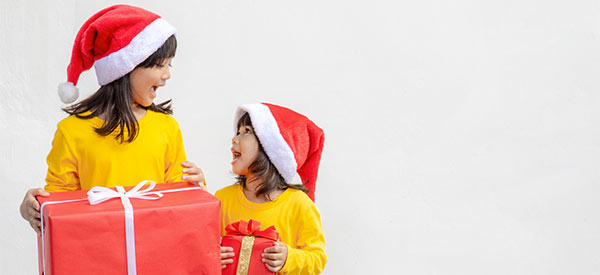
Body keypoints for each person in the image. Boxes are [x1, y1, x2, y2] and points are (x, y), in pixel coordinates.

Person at [19, 4, 205, 234]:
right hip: (97, 252)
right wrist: (33, 208)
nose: (167, 74)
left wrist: (195, 187)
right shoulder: (72, 131)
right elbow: (58, 204)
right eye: (159, 65)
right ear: (124, 68)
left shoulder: (167, 127)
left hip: (155, 250)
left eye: (169, 64)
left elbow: (179, 202)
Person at [216, 103, 327, 274]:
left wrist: (288, 258)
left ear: (271, 149)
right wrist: (214, 256)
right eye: (237, 132)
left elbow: (317, 259)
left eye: (247, 132)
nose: (235, 139)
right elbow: (204, 249)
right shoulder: (222, 199)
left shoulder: (299, 204)